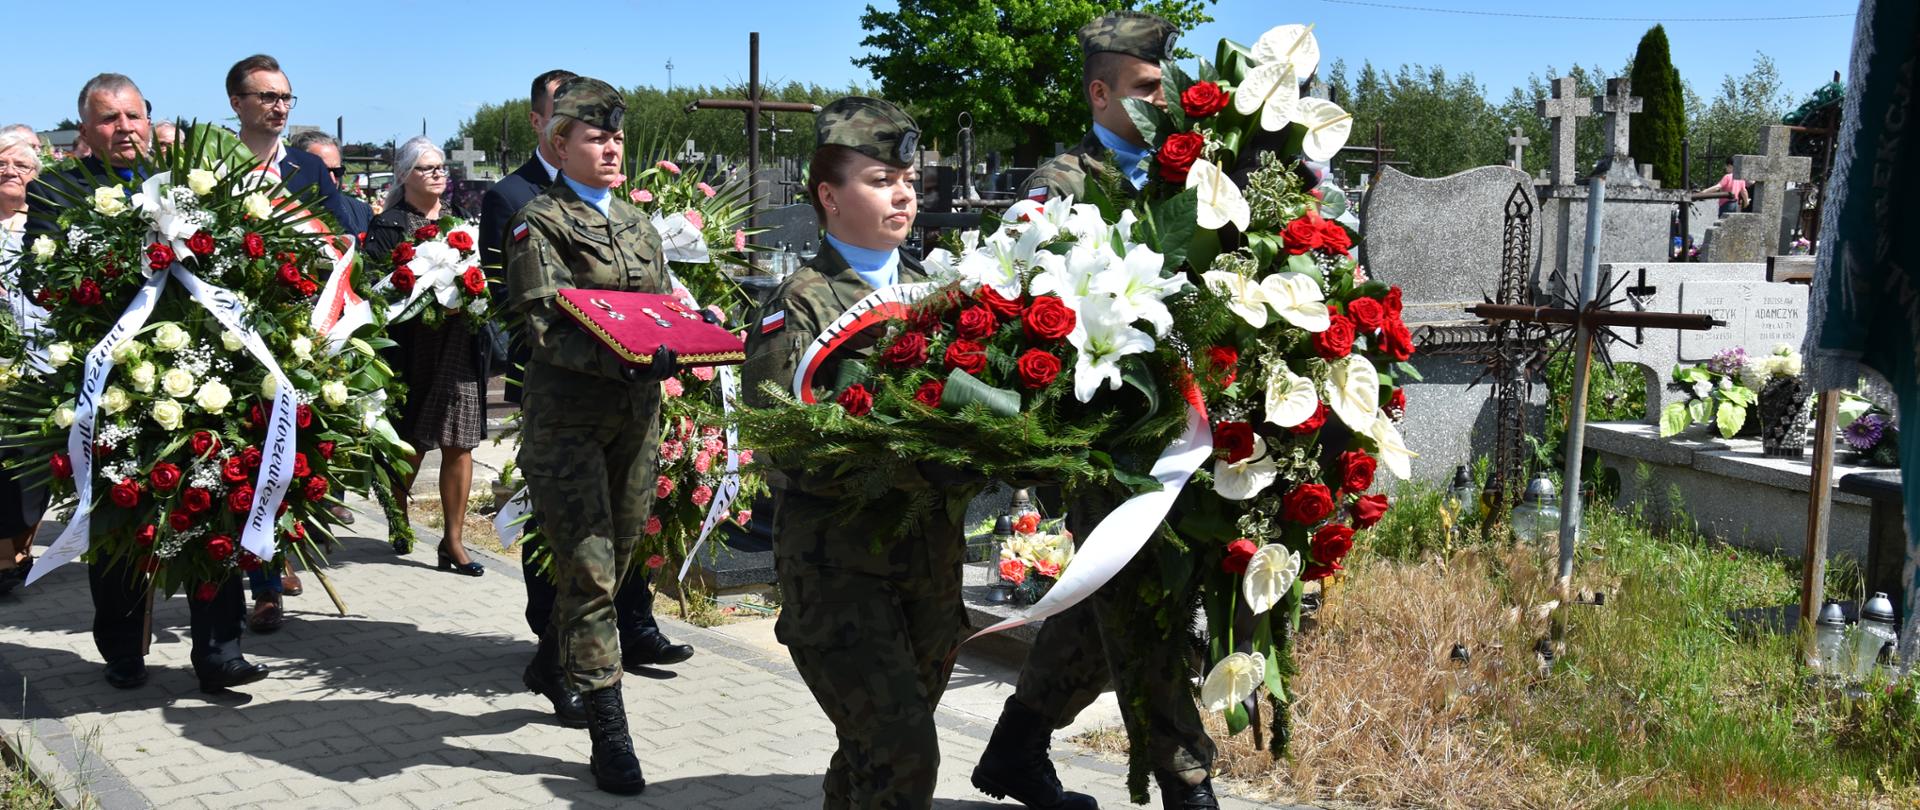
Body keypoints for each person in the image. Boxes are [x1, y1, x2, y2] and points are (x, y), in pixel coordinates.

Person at [975, 12, 1223, 810]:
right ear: (1100, 92)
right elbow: (1027, 294)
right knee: (1142, 603)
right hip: (1107, 439)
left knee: (1102, 605)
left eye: (1168, 85)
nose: (1168, 101)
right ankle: (1189, 784)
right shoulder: (1067, 183)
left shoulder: (1188, 170)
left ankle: (1014, 748)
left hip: (1189, 431)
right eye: (1149, 89)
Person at [741, 97, 977, 809]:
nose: (903, 191)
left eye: (908, 176)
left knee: (873, 759)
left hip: (929, 571)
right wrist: (914, 453)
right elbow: (781, 441)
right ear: (828, 196)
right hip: (840, 572)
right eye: (879, 178)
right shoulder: (800, 304)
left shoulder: (942, 291)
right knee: (905, 758)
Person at [27, 73, 268, 692]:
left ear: (148, 118)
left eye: (133, 116)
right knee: (121, 515)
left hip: (201, 368)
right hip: (109, 378)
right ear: (85, 130)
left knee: (215, 503)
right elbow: (41, 275)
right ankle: (124, 647)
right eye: (109, 120)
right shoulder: (58, 189)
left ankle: (219, 650)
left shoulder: (187, 182)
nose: (124, 129)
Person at [480, 68, 692, 731]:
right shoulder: (536, 222)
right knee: (591, 568)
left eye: (617, 139)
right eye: (596, 139)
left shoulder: (637, 223)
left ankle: (550, 660)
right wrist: (630, 358)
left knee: (616, 557)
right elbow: (543, 327)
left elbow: (658, 308)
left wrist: (691, 331)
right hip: (568, 422)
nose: (611, 150)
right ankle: (608, 725)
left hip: (634, 421)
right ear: (562, 143)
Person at [365, 136, 489, 578]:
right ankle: (397, 515)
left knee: (461, 439)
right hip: (415, 349)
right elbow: (377, 292)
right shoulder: (388, 226)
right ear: (404, 176)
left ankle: (453, 542)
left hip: (460, 345)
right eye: (426, 168)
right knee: (412, 438)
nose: (438, 174)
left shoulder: (461, 224)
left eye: (441, 168)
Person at [225, 54, 356, 232]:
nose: (281, 109)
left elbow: (344, 235)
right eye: (269, 97)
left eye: (285, 98)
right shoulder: (216, 166)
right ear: (237, 104)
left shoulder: (311, 168)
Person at [0, 131, 43, 597]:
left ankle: (21, 551)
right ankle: (3, 558)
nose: (11, 171)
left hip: (42, 357)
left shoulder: (45, 224)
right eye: (1, 164)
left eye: (21, 165)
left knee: (32, 464)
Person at [292, 130, 372, 240]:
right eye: (322, 171)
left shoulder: (361, 211)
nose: (332, 180)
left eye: (337, 171)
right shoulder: (283, 210)